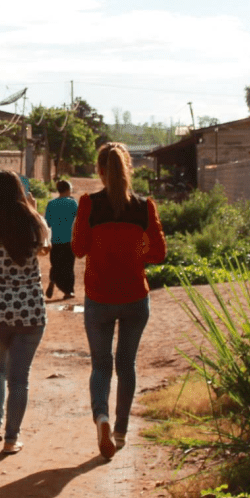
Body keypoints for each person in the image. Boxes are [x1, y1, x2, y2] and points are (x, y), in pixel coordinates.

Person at [71, 143, 166, 460]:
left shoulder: (88, 203)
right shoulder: (144, 206)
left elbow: (78, 248)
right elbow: (159, 252)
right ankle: (121, 432)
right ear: (129, 169)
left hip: (99, 296)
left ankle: (102, 419)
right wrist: (134, 254)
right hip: (135, 298)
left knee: (101, 365)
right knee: (126, 365)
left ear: (100, 171)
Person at [0, 170, 49, 454]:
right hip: (30, 310)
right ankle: (11, 438)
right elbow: (46, 247)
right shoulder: (35, 223)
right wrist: (33, 209)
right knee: (20, 377)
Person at [44, 179, 78, 300]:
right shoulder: (72, 203)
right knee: (68, 265)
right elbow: (80, 218)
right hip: (69, 239)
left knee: (56, 264)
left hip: (55, 239)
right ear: (68, 190)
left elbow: (47, 222)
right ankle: (69, 291)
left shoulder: (51, 203)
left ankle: (53, 279)